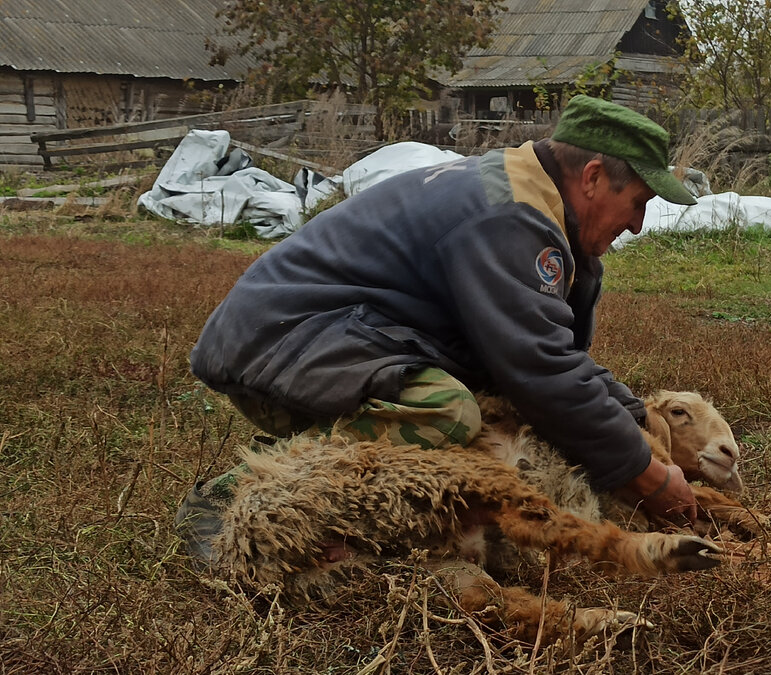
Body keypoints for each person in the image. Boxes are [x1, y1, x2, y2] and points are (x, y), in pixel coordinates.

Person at [176, 95, 701, 567]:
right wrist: (649, 478)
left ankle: (320, 444)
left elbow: (552, 350)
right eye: (639, 202)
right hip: (279, 343)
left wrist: (637, 418)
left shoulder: (527, 197)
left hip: (335, 338)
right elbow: (541, 372)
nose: (637, 224)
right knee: (446, 410)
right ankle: (238, 492)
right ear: (590, 177)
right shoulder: (509, 218)